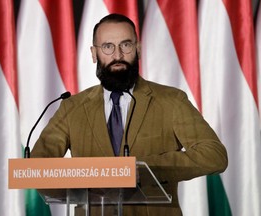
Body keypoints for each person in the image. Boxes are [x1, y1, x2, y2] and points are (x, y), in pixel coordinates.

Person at [31, 13, 228, 216]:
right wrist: (83, 182)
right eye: (107, 47)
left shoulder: (171, 100)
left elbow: (214, 155)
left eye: (126, 45)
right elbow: (37, 168)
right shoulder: (72, 107)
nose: (117, 55)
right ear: (93, 53)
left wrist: (143, 169)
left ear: (138, 49)